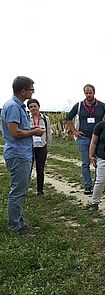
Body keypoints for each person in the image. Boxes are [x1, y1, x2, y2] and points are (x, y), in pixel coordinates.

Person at [2, 76, 45, 235]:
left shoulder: (17, 106)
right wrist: (34, 131)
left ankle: (19, 221)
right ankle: (15, 226)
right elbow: (14, 132)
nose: (33, 92)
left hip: (21, 153)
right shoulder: (13, 106)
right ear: (23, 91)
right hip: (18, 154)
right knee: (18, 191)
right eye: (31, 89)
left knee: (21, 190)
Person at [64, 84, 105, 195]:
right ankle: (88, 185)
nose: (88, 95)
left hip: (98, 139)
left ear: (94, 93)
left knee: (99, 162)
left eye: (90, 93)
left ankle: (98, 185)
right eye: (86, 93)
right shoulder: (79, 106)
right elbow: (68, 118)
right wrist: (74, 131)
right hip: (83, 138)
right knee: (85, 163)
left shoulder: (101, 105)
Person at [28, 98, 52, 195]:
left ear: (39, 107)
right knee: (27, 168)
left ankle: (40, 189)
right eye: (30, 107)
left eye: (35, 106)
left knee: (40, 168)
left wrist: (48, 145)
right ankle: (24, 188)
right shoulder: (26, 118)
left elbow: (49, 132)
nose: (33, 108)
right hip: (29, 146)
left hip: (42, 146)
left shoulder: (45, 119)